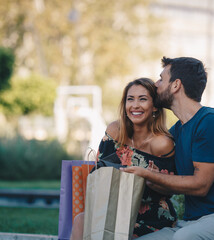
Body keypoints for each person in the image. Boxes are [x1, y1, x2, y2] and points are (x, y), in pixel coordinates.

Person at [121, 57, 214, 240]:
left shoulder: (211, 121)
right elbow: (172, 184)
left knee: (184, 238)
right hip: (192, 223)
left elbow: (201, 186)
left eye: (161, 79)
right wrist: (154, 179)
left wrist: (149, 175)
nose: (156, 85)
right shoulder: (176, 131)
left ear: (175, 85)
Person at [70, 78, 177, 239]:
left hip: (151, 216)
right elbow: (99, 172)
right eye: (130, 99)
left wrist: (153, 178)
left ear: (154, 106)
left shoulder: (162, 143)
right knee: (80, 219)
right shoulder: (115, 131)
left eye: (142, 99)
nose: (135, 105)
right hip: (113, 208)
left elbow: (170, 191)